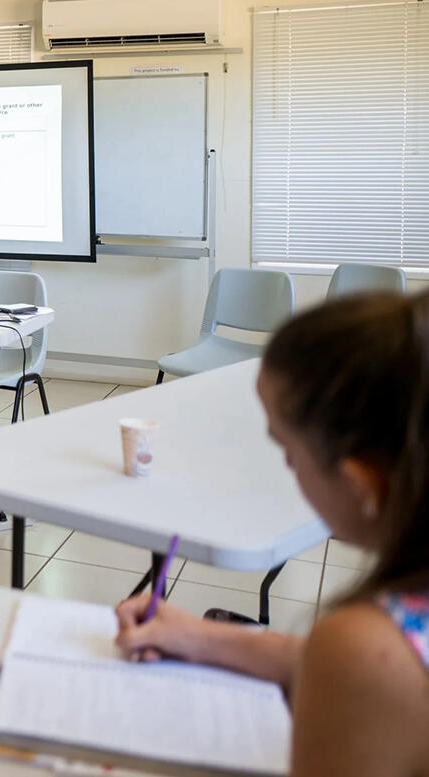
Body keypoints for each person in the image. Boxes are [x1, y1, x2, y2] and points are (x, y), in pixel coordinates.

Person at [113, 290, 429, 777]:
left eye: (289, 452)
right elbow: (321, 663)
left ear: (360, 484)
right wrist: (197, 637)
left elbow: (353, 670)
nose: (287, 468)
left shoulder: (366, 650)